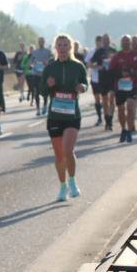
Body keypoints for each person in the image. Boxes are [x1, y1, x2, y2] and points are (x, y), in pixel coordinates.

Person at [39, 34, 88, 201]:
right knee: (59, 155)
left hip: (72, 115)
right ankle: (62, 186)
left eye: (65, 45)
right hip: (55, 115)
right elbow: (41, 91)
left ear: (70, 48)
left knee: (68, 150)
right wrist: (48, 85)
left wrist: (82, 87)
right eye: (59, 45)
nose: (62, 48)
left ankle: (73, 181)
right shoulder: (50, 68)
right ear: (55, 48)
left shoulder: (78, 66)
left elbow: (84, 83)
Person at [108, 34, 137, 143]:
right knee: (120, 109)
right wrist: (121, 74)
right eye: (123, 41)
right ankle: (123, 129)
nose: (125, 43)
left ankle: (129, 130)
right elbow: (110, 71)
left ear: (131, 43)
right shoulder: (117, 56)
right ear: (121, 43)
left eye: (127, 41)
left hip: (133, 86)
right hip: (120, 87)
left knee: (130, 107)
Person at [28, 37, 53, 115]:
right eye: (39, 41)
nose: (41, 43)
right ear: (37, 42)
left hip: (45, 74)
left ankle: (45, 106)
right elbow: (30, 62)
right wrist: (31, 65)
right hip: (36, 74)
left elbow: (53, 60)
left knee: (45, 92)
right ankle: (38, 109)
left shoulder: (48, 52)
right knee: (36, 92)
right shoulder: (34, 52)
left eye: (42, 41)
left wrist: (48, 62)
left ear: (44, 42)